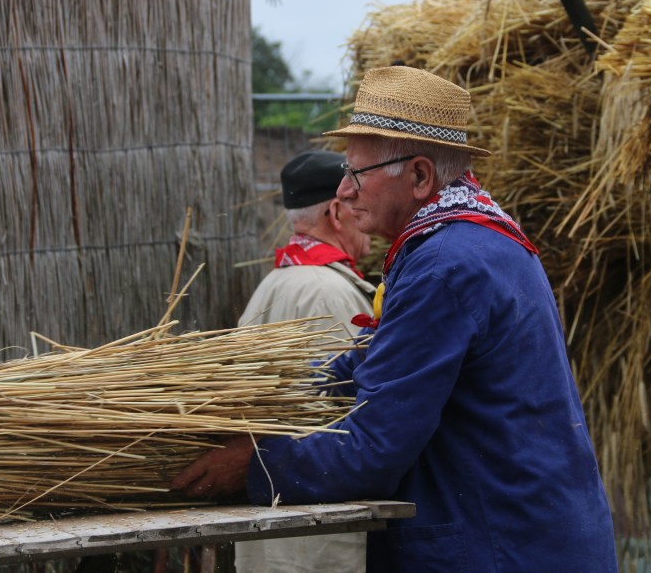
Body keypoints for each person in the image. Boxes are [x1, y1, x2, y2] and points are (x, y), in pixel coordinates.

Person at [172, 66, 618, 571]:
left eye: (356, 174)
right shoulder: (476, 241)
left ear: (420, 177)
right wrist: (264, 398)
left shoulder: (444, 267)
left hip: (502, 547)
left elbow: (371, 451)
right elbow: (374, 366)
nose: (343, 191)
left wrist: (252, 465)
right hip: (527, 536)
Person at [236, 149, 376, 573]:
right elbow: (351, 414)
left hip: (269, 522)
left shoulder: (271, 284)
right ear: (336, 211)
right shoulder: (329, 293)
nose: (367, 218)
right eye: (358, 205)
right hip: (315, 533)